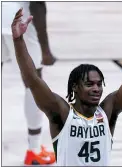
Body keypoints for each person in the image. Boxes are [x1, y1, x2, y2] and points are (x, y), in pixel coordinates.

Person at [11, 5, 122, 166]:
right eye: (89, 84)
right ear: (75, 87)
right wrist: (18, 40)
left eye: (99, 84)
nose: (96, 89)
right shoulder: (62, 113)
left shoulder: (108, 111)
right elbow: (32, 79)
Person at [2, 2, 56, 165]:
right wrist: (45, 49)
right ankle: (34, 150)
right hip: (17, 18)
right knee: (33, 82)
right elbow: (38, 5)